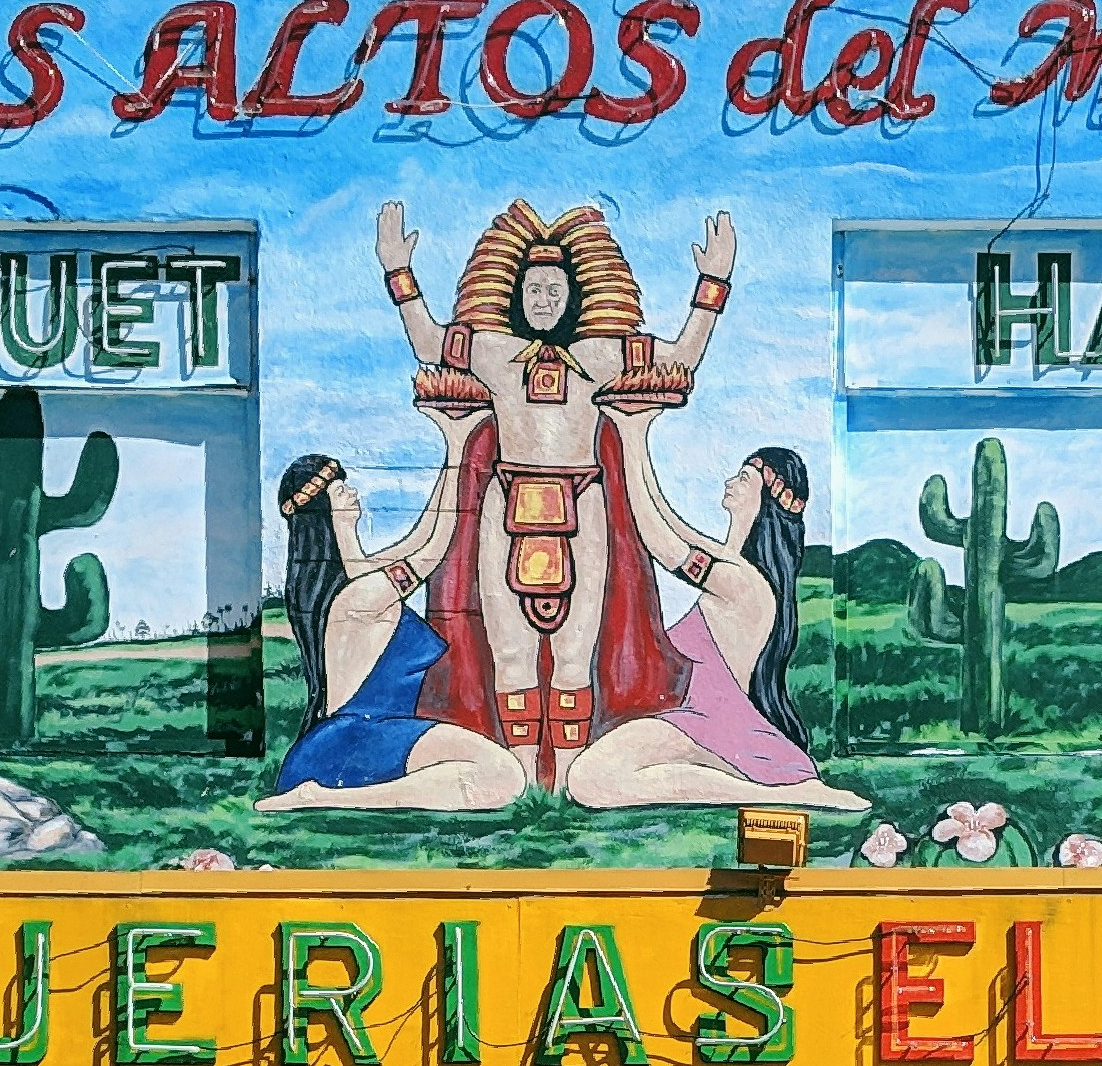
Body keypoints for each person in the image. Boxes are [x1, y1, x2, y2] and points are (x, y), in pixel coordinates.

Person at [372, 197, 733, 788]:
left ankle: (564, 779)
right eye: (533, 289)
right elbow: (428, 342)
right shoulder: (490, 351)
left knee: (573, 655)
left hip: (583, 508)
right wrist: (398, 270)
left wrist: (712, 284)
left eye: (554, 290)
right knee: (511, 653)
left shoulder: (603, 353)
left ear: (576, 295)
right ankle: (520, 778)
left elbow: (680, 356)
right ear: (514, 294)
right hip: (504, 508)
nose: (543, 300)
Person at [568, 430, 866, 810]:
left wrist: (630, 434)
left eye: (744, 478)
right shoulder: (730, 564)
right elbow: (666, 518)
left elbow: (657, 538)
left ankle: (778, 795)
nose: (730, 482)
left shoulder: (741, 581)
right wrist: (635, 437)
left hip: (712, 723)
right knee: (596, 777)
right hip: (696, 718)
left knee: (590, 779)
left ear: (767, 496)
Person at [256, 432, 524, 811]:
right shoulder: (361, 597)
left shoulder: (361, 585)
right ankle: (326, 798)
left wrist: (454, 449)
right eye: (339, 490)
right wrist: (458, 448)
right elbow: (434, 548)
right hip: (357, 740)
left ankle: (330, 796)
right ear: (323, 508)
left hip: (367, 737)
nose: (351, 492)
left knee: (497, 774)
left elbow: (421, 536)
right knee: (504, 776)